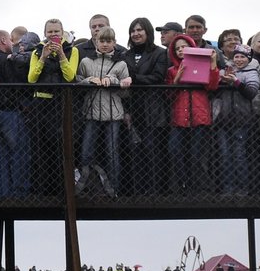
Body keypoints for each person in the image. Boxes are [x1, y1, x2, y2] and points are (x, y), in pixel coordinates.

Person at [76, 26, 132, 194]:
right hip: (91, 111)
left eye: (109, 41)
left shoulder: (121, 64)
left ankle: (114, 189)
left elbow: (126, 92)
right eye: (102, 41)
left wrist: (113, 80)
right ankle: (85, 188)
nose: (105, 44)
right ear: (96, 42)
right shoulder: (86, 61)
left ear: (114, 43)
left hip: (113, 114)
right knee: (86, 153)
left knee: (112, 153)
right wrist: (90, 80)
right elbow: (77, 81)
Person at [26, 18, 79, 195]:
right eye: (50, 32)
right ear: (45, 33)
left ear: (62, 33)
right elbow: (31, 79)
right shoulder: (36, 51)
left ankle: (60, 189)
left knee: (59, 147)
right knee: (39, 148)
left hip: (60, 104)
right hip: (40, 103)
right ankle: (41, 190)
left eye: (57, 31)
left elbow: (70, 76)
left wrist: (62, 55)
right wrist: (43, 57)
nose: (53, 35)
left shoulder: (73, 50)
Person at [166, 33, 220, 194]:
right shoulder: (171, 70)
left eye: (184, 46)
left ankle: (201, 189)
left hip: (199, 115)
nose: (181, 50)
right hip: (179, 118)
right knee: (174, 150)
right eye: (177, 48)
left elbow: (212, 86)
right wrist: (177, 80)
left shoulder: (202, 66)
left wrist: (213, 64)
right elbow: (168, 95)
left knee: (197, 155)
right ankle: (183, 185)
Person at [123, 18, 170, 195]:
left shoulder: (159, 53)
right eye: (132, 30)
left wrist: (134, 79)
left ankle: (155, 193)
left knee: (153, 153)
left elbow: (158, 77)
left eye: (139, 30)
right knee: (135, 154)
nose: (136, 34)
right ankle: (138, 192)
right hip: (133, 109)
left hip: (153, 110)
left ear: (148, 32)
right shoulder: (125, 55)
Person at [0, 28, 30, 197]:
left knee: (2, 155)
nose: (12, 43)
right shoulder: (4, 60)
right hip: (9, 111)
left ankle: (4, 192)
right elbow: (16, 83)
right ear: (3, 41)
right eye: (10, 40)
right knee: (19, 151)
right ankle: (20, 192)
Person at [212, 43, 260, 196]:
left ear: (248, 59)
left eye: (242, 57)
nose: (239, 59)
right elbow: (212, 84)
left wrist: (237, 83)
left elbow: (252, 91)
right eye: (236, 57)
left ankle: (242, 189)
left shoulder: (252, 72)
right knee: (225, 156)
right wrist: (221, 81)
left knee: (239, 155)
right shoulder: (225, 70)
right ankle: (228, 189)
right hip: (224, 120)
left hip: (242, 120)